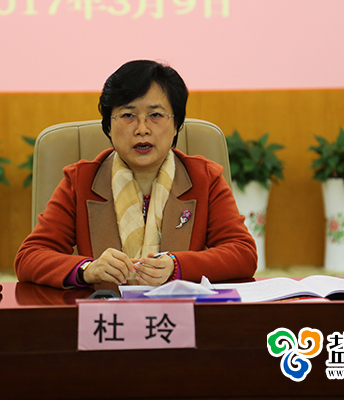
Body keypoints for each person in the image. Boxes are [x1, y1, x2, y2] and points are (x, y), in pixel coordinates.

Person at [15, 60, 257, 288]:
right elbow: (30, 256)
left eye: (156, 115)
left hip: (180, 313)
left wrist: (177, 266)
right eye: (128, 115)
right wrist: (87, 269)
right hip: (104, 313)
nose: (142, 129)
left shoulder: (204, 178)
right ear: (109, 126)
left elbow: (242, 253)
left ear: (176, 125)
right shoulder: (81, 181)